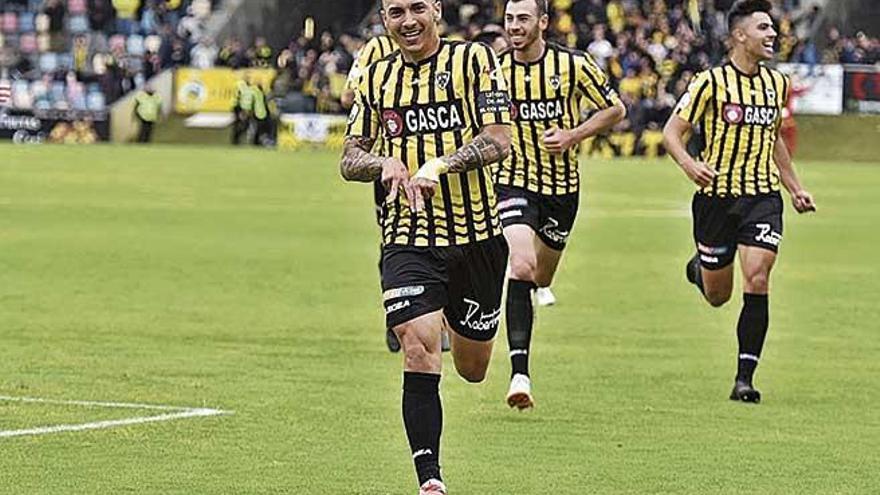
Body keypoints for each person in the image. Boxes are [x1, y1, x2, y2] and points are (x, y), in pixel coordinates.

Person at [340, 1, 511, 493]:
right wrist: (383, 164)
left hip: (477, 237)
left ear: (436, 10)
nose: (408, 20)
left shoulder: (475, 61)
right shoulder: (375, 77)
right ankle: (429, 478)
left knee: (473, 367)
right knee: (418, 345)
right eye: (396, 12)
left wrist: (441, 164)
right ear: (385, 18)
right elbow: (350, 157)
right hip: (408, 237)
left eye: (418, 8)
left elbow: (499, 141)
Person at [662, 0, 816, 404]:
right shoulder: (709, 82)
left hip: (761, 197)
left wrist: (794, 187)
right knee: (718, 295)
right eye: (764, 28)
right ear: (739, 35)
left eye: (773, 29)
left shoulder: (776, 84)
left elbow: (775, 137)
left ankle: (744, 378)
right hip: (716, 200)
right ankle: (700, 269)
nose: (772, 35)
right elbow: (672, 132)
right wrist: (689, 164)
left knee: (759, 277)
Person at [497, 0, 626, 410]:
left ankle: (533, 291)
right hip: (510, 182)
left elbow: (615, 109)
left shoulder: (574, 65)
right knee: (521, 265)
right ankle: (520, 374)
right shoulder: (492, 71)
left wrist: (573, 135)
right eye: (509, 19)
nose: (515, 26)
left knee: (541, 275)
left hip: (561, 190)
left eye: (523, 19)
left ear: (544, 23)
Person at [340, 31, 406, 353]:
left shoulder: (448, 51)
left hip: (435, 164)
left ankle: (441, 319)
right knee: (394, 237)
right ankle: (397, 317)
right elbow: (347, 97)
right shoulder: (376, 49)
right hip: (389, 163)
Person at [232, 76, 254, 145]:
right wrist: (240, 113)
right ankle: (235, 140)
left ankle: (236, 140)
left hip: (245, 111)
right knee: (239, 126)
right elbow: (236, 103)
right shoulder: (240, 92)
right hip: (240, 110)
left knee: (245, 126)